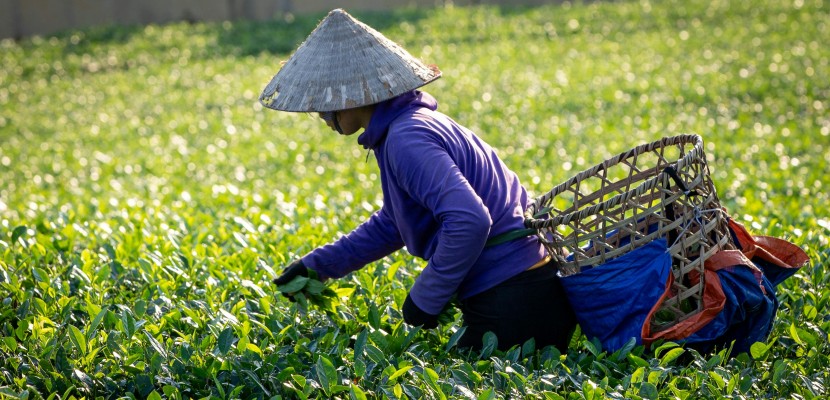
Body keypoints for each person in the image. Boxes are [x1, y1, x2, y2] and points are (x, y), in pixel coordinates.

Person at [262, 9, 576, 351]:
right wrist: (317, 267)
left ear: (353, 95)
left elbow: (469, 220)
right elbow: (394, 224)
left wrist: (425, 298)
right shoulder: (407, 126)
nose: (319, 114)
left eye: (323, 103)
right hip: (527, 289)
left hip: (515, 298)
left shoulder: (406, 138)